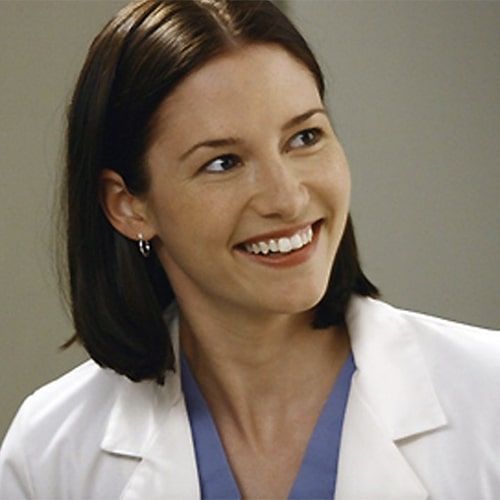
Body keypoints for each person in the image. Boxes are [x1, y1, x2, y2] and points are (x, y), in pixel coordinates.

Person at [0, 0, 499, 498]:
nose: (288, 199)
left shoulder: (488, 400)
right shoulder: (49, 454)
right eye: (223, 163)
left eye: (305, 137)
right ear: (128, 205)